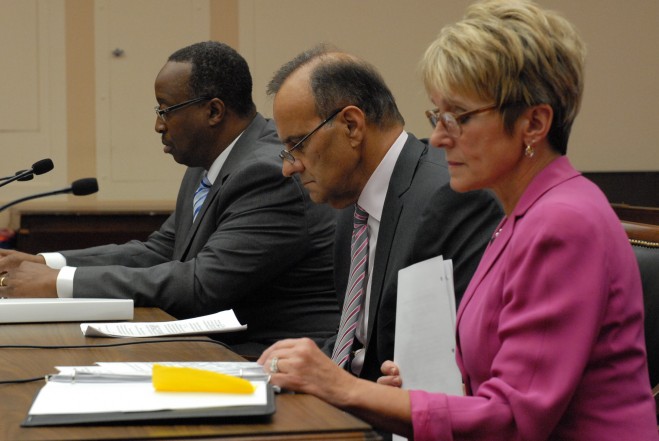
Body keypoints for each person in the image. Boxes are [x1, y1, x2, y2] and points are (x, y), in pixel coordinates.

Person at [257, 1, 659, 439]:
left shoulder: (563, 222)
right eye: (437, 116)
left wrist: (343, 387)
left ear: (534, 123)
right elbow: (488, 382)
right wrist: (415, 393)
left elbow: (512, 419)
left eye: (459, 118)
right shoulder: (520, 215)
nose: (440, 137)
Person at [0, 41, 339, 357]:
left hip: (273, 355)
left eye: (165, 110)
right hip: (222, 346)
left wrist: (58, 283)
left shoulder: (266, 172)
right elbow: (159, 250)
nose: (158, 126)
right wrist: (47, 263)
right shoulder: (209, 164)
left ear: (214, 111)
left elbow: (201, 285)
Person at [263, 44, 502, 386]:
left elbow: (447, 371)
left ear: (351, 125)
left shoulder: (449, 199)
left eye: (298, 144)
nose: (289, 167)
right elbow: (358, 345)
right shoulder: (353, 201)